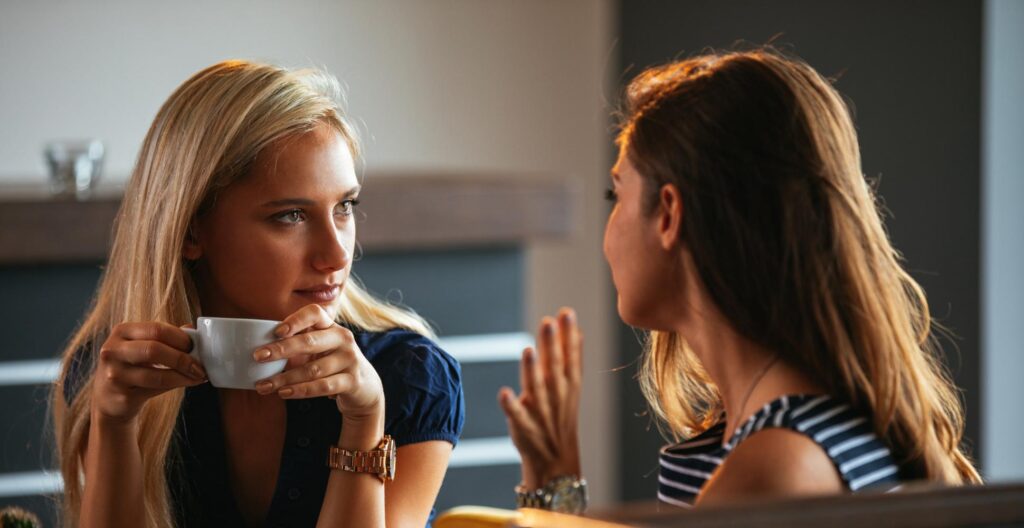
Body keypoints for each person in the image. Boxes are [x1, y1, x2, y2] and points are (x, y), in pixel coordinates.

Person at [498, 48, 981, 513]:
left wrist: (555, 489)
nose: (606, 234)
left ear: (668, 214)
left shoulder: (775, 469)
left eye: (615, 193)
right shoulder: (787, 434)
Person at [52, 60, 464, 528]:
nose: (336, 254)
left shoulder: (408, 378)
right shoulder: (118, 376)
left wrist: (363, 423)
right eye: (290, 216)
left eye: (345, 207)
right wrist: (115, 426)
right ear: (190, 231)